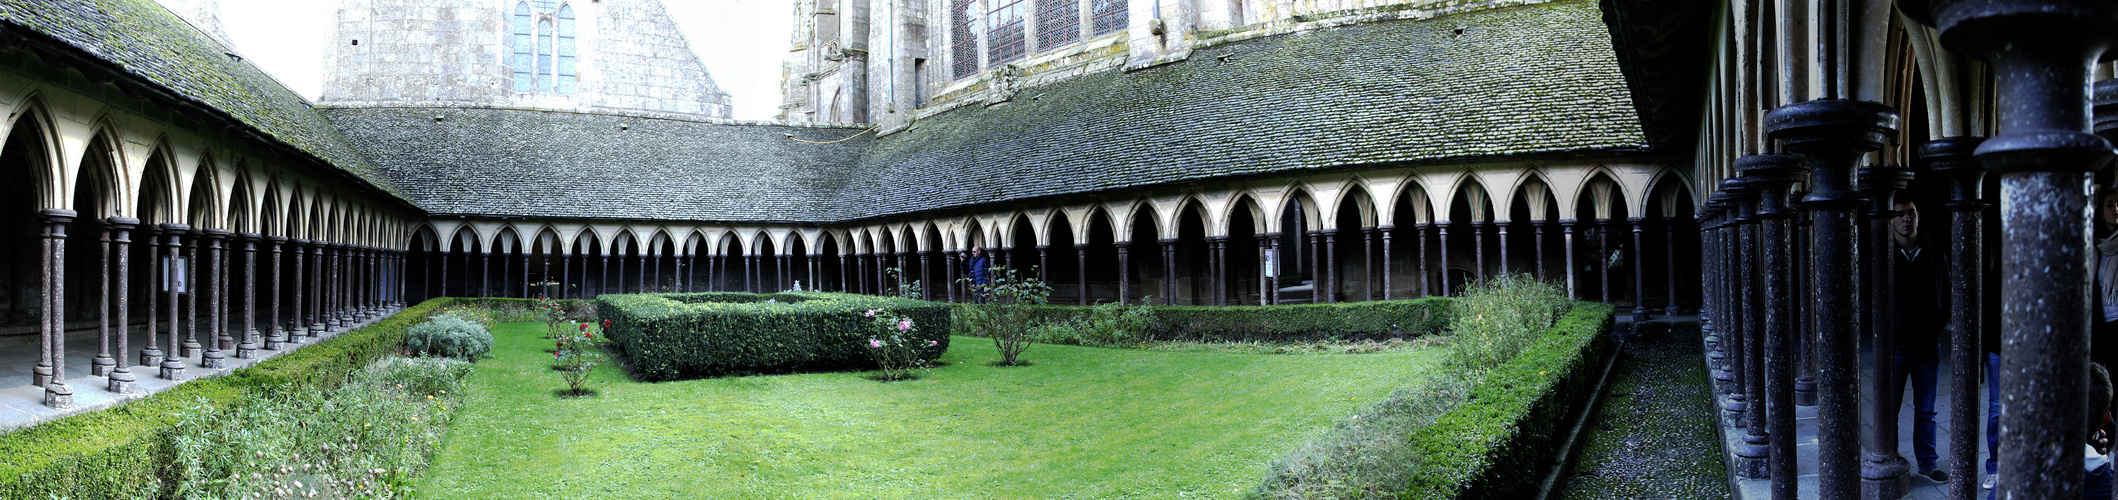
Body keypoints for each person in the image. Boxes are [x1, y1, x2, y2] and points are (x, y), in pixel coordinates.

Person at [1889, 199, 1950, 483]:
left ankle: (1927, 463)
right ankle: (1888, 459)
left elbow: (1948, 289)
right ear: (1891, 220)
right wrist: (1888, 325)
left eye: (1910, 212)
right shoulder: (1882, 252)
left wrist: (1938, 323)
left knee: (1927, 409)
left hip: (1928, 345)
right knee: (1890, 407)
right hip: (1895, 347)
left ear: (1918, 216)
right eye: (1899, 214)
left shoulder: (1934, 250)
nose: (1905, 219)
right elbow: (1863, 294)